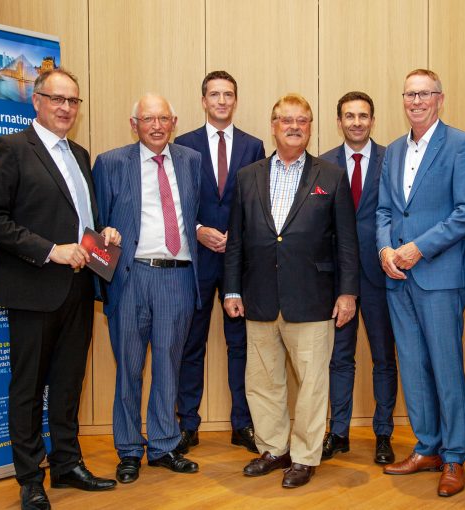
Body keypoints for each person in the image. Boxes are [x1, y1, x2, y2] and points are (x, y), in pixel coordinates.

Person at [0, 69, 120, 510]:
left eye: (73, 101)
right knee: (28, 387)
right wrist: (49, 251)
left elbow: (77, 220)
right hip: (33, 288)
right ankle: (29, 478)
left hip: (78, 290)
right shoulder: (12, 149)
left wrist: (102, 234)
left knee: (68, 383)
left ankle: (67, 464)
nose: (65, 108)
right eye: (57, 98)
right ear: (36, 101)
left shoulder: (79, 153)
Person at [223, 93, 358, 488]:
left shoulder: (330, 175)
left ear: (311, 127)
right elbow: (236, 242)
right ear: (274, 124)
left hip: (313, 298)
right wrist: (231, 290)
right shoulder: (248, 176)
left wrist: (347, 292)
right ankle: (274, 448)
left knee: (313, 383)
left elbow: (347, 242)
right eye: (287, 120)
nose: (294, 126)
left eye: (302, 120)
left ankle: (304, 455)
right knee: (263, 381)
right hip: (259, 297)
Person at [375, 69, 465, 497]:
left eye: (425, 94)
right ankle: (427, 447)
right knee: (414, 367)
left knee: (445, 366)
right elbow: (384, 210)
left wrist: (419, 248)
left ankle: (454, 457)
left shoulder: (459, 144)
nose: (416, 101)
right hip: (397, 276)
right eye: (410, 94)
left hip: (438, 275)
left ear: (440, 98)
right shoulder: (395, 150)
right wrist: (386, 252)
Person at [93, 93, 202, 485]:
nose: (156, 126)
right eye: (147, 119)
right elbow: (96, 220)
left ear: (174, 122)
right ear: (133, 123)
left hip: (177, 276)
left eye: (163, 119)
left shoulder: (191, 161)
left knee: (169, 366)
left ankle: (163, 445)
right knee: (129, 367)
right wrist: (104, 233)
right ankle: (128, 450)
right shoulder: (110, 163)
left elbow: (196, 215)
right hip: (131, 276)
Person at [173, 71, 266, 454]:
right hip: (195, 260)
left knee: (240, 345)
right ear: (203, 100)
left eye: (228, 94)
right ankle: (188, 424)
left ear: (236, 100)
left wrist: (237, 239)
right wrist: (196, 229)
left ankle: (242, 423)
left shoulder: (254, 145)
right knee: (190, 344)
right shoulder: (183, 144)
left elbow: (258, 203)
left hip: (237, 262)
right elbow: (173, 201)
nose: (222, 101)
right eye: (215, 94)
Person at [319, 91, 397, 465]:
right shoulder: (321, 165)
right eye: (349, 116)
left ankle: (383, 433)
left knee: (384, 357)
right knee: (340, 358)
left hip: (383, 274)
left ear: (372, 120)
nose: (356, 122)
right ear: (339, 121)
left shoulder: (392, 159)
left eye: (363, 116)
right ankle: (339, 432)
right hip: (337, 279)